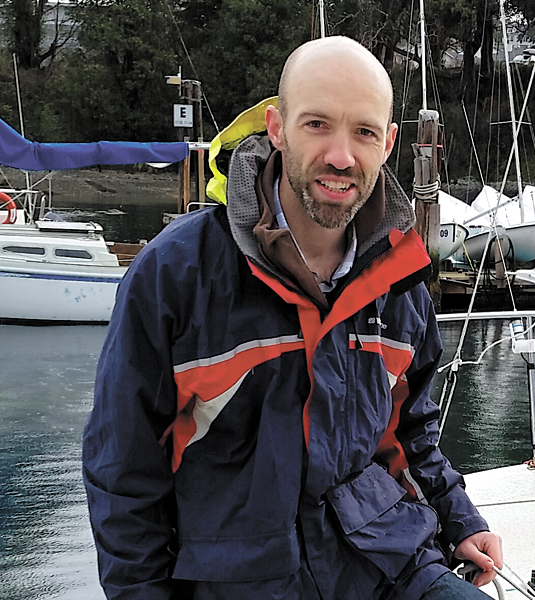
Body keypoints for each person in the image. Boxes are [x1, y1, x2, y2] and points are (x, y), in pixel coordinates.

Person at [83, 36, 502, 600]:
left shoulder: (400, 279)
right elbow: (124, 469)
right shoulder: (175, 275)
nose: (340, 156)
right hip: (239, 581)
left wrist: (461, 518)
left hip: (387, 562)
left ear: (389, 143)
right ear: (277, 128)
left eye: (363, 132)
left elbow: (412, 427)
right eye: (317, 125)